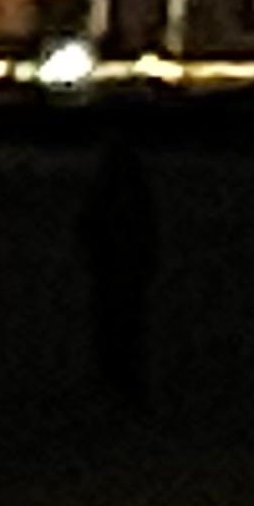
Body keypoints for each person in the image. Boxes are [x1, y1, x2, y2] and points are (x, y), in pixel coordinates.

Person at [78, 142, 160, 411]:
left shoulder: (112, 189)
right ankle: (123, 386)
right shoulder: (130, 189)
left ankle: (120, 386)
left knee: (117, 329)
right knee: (123, 329)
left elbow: (89, 226)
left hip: (115, 267)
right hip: (120, 267)